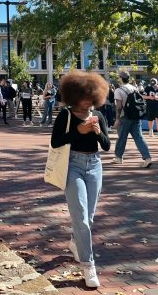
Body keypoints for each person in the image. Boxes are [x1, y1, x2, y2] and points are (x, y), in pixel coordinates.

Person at [50, 69, 110, 289]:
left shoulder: (99, 116)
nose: (87, 101)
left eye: (91, 96)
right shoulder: (65, 115)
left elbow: (106, 145)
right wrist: (79, 131)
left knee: (89, 218)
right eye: (83, 96)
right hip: (72, 165)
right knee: (82, 218)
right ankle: (88, 265)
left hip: (95, 165)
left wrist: (95, 132)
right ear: (73, 95)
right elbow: (56, 142)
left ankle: (76, 242)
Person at [112, 70, 152, 168]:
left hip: (124, 117)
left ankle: (118, 157)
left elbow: (119, 106)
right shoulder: (134, 88)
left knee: (122, 137)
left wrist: (117, 119)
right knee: (139, 137)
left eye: (118, 77)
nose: (118, 78)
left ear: (121, 78)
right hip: (136, 116)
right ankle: (147, 157)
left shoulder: (119, 90)